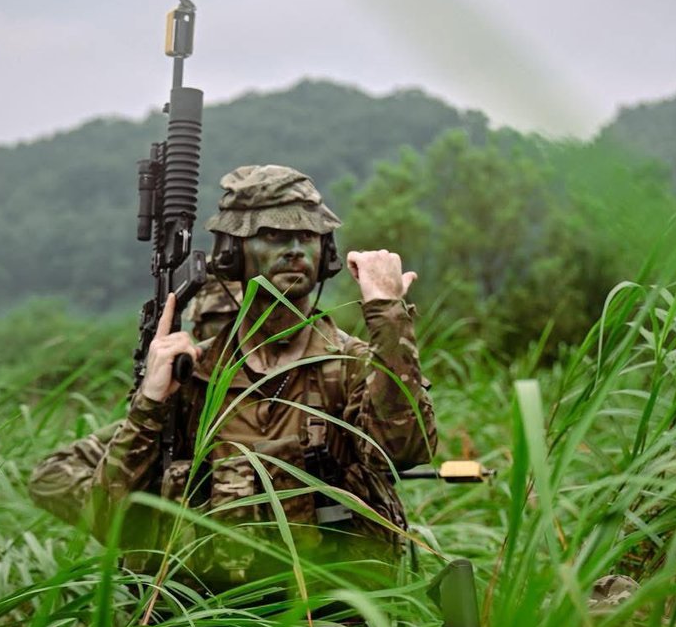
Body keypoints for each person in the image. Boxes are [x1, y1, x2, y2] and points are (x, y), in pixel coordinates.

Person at [29, 164, 437, 593]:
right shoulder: (192, 376)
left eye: (308, 237)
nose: (296, 249)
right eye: (274, 236)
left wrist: (388, 315)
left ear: (327, 253)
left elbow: (407, 450)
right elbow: (109, 520)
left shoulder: (352, 364)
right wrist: (149, 402)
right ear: (231, 253)